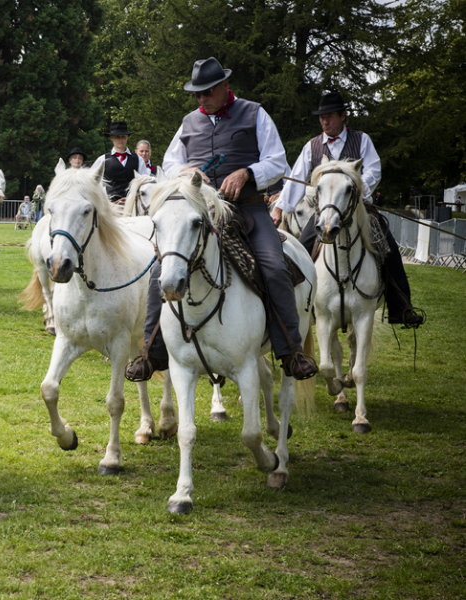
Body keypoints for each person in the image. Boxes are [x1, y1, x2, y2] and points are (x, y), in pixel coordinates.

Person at [126, 56, 317, 382]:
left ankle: (290, 351)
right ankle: (152, 352)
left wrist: (247, 173)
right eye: (197, 94)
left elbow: (278, 162)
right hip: (200, 211)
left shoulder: (255, 113)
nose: (202, 99)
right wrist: (185, 171)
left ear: (225, 86)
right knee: (161, 267)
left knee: (273, 266)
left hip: (249, 208)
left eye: (207, 92)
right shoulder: (188, 122)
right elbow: (170, 165)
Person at [271, 92, 425, 327]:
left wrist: (356, 191)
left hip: (360, 210)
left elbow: (373, 171)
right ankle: (297, 306)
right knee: (300, 251)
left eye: (330, 116)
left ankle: (400, 307)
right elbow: (295, 180)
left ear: (343, 116)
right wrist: (280, 209)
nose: (325, 121)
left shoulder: (361, 140)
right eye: (322, 117)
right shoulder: (312, 146)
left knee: (388, 246)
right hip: (324, 213)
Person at [91, 122, 148, 204]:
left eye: (123, 136)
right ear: (111, 137)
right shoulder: (102, 160)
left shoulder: (138, 159)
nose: (120, 140)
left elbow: (145, 184)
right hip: (111, 207)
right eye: (117, 137)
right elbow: (93, 183)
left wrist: (134, 197)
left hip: (133, 206)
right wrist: (104, 199)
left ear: (127, 137)